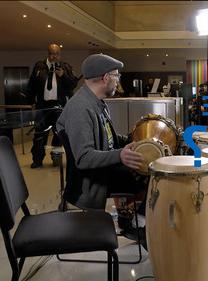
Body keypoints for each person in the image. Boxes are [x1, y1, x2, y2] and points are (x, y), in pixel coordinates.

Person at [56, 54, 147, 242]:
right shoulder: (80, 109)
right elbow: (83, 158)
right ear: (106, 78)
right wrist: (120, 156)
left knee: (149, 166)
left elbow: (110, 139)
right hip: (93, 180)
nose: (118, 81)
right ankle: (137, 221)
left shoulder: (97, 102)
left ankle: (130, 218)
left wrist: (138, 139)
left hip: (104, 169)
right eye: (116, 76)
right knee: (151, 176)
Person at [27, 43, 79, 168]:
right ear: (48, 53)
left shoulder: (65, 67)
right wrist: (31, 102)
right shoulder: (39, 67)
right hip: (42, 107)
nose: (54, 56)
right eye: (51, 53)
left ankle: (56, 158)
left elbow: (73, 85)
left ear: (60, 55)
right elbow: (31, 86)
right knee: (39, 135)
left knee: (59, 135)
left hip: (59, 107)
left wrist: (63, 76)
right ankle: (37, 160)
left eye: (56, 54)